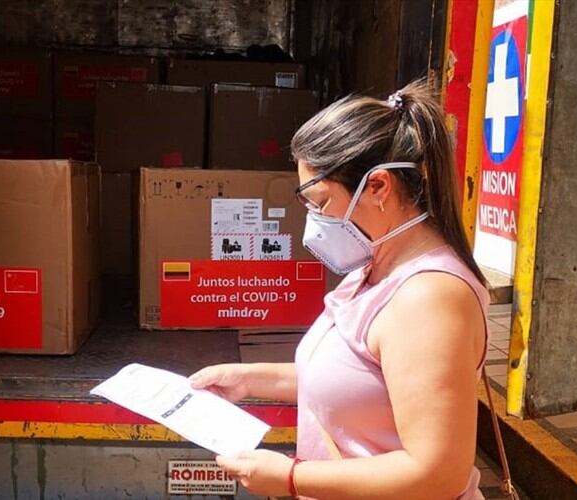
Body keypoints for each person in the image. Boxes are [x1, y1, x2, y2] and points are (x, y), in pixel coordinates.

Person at [190, 80, 491, 499]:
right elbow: (355, 382)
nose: (314, 221)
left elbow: (437, 473)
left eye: (321, 202)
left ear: (379, 187)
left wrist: (291, 478)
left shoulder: (428, 299)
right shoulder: (372, 265)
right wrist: (247, 379)